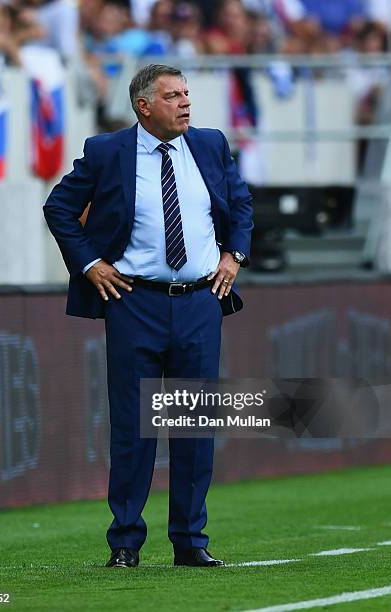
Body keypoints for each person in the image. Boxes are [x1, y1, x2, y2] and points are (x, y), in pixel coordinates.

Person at [43, 63, 253, 568]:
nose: (185, 103)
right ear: (144, 106)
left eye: (186, 93)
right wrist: (91, 264)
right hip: (134, 302)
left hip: (201, 300)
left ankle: (190, 542)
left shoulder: (209, 144)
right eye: (173, 96)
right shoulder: (107, 152)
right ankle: (125, 542)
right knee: (134, 426)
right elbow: (59, 209)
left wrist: (234, 256)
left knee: (193, 426)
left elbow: (241, 205)